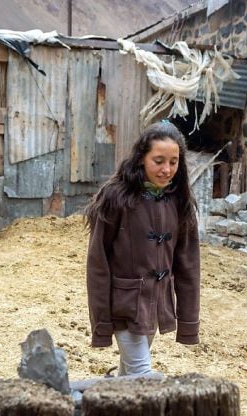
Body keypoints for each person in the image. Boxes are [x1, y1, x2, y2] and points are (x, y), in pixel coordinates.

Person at [84, 121, 200, 376]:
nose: (166, 169)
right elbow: (97, 264)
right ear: (141, 159)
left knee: (127, 381)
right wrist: (102, 321)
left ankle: (104, 411)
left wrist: (188, 321)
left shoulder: (180, 202)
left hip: (157, 307)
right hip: (124, 306)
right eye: (158, 161)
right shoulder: (116, 198)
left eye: (173, 162)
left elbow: (188, 268)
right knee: (142, 378)